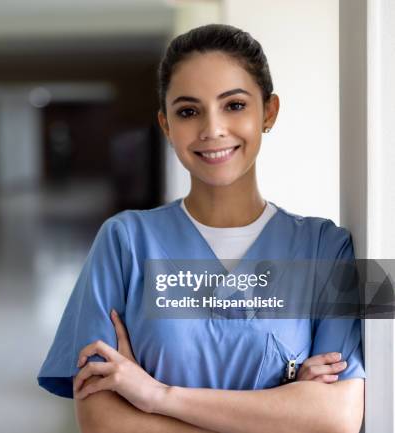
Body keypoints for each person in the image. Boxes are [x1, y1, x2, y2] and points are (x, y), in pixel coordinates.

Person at [37, 24, 365, 433]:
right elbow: (102, 424)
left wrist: (157, 396)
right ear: (166, 125)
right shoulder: (124, 243)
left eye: (234, 105)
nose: (212, 129)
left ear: (269, 111)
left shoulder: (328, 248)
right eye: (189, 111)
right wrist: (283, 407)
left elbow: (338, 418)